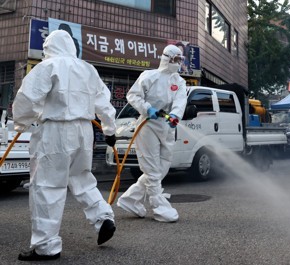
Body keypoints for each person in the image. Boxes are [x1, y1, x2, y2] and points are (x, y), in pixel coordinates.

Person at [13, 30, 117, 261]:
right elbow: (104, 101)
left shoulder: (47, 67)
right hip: (84, 131)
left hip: (56, 130)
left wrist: (20, 123)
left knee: (48, 186)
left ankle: (46, 246)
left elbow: (27, 98)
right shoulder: (88, 68)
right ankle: (103, 218)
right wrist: (110, 130)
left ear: (48, 48)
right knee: (82, 178)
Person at [117, 44, 188, 223]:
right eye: (177, 59)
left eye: (181, 59)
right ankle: (159, 207)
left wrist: (175, 115)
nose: (179, 63)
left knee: (163, 166)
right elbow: (133, 96)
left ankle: (130, 199)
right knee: (152, 169)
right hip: (147, 125)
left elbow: (181, 100)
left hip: (167, 125)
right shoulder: (149, 76)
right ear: (168, 58)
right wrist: (147, 108)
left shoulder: (179, 81)